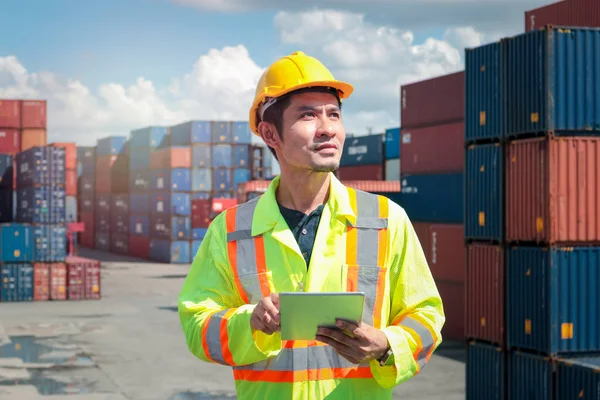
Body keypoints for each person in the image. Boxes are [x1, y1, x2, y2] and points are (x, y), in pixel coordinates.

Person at [178, 51, 445, 400]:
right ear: (270, 134)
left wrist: (385, 346)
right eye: (308, 115)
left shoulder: (386, 220)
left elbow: (426, 315)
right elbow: (197, 326)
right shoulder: (230, 230)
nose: (328, 128)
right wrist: (251, 323)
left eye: (334, 114)